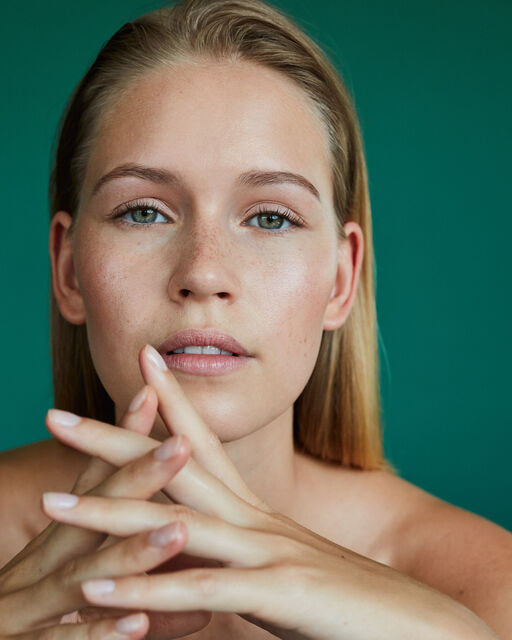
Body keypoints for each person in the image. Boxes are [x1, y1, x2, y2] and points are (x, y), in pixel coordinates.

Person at [0, 0, 510, 638]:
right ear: (69, 270)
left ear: (341, 278)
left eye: (271, 217)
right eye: (144, 212)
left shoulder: (481, 593)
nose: (204, 273)